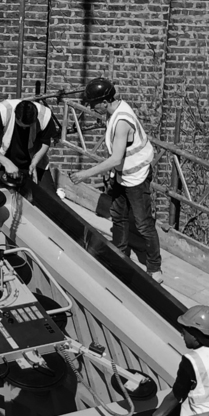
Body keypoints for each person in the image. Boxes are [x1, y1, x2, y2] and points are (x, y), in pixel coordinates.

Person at [70, 76, 161, 278]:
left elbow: (115, 158)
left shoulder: (121, 122)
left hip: (136, 177)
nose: (92, 108)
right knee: (118, 216)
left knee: (143, 224)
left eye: (94, 104)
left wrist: (85, 174)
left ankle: (155, 268)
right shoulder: (114, 111)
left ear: (104, 102)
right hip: (123, 175)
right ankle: (119, 254)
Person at [0, 95, 61, 244]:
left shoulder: (45, 115)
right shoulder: (1, 112)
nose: (24, 128)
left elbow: (45, 143)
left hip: (32, 159)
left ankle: (50, 238)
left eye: (28, 126)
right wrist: (6, 163)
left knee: (50, 199)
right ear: (16, 116)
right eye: (21, 125)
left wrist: (35, 162)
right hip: (3, 158)